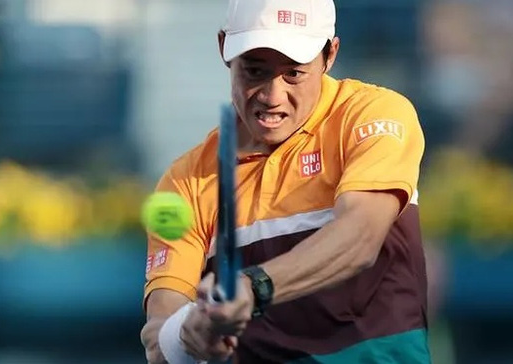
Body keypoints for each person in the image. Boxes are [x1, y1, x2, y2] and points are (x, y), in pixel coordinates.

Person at [140, 0, 430, 363]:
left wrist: (251, 288)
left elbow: (360, 237)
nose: (272, 97)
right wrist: (189, 334)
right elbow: (158, 338)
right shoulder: (184, 181)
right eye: (254, 70)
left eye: (293, 73)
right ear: (223, 48)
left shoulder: (375, 114)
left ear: (330, 55)